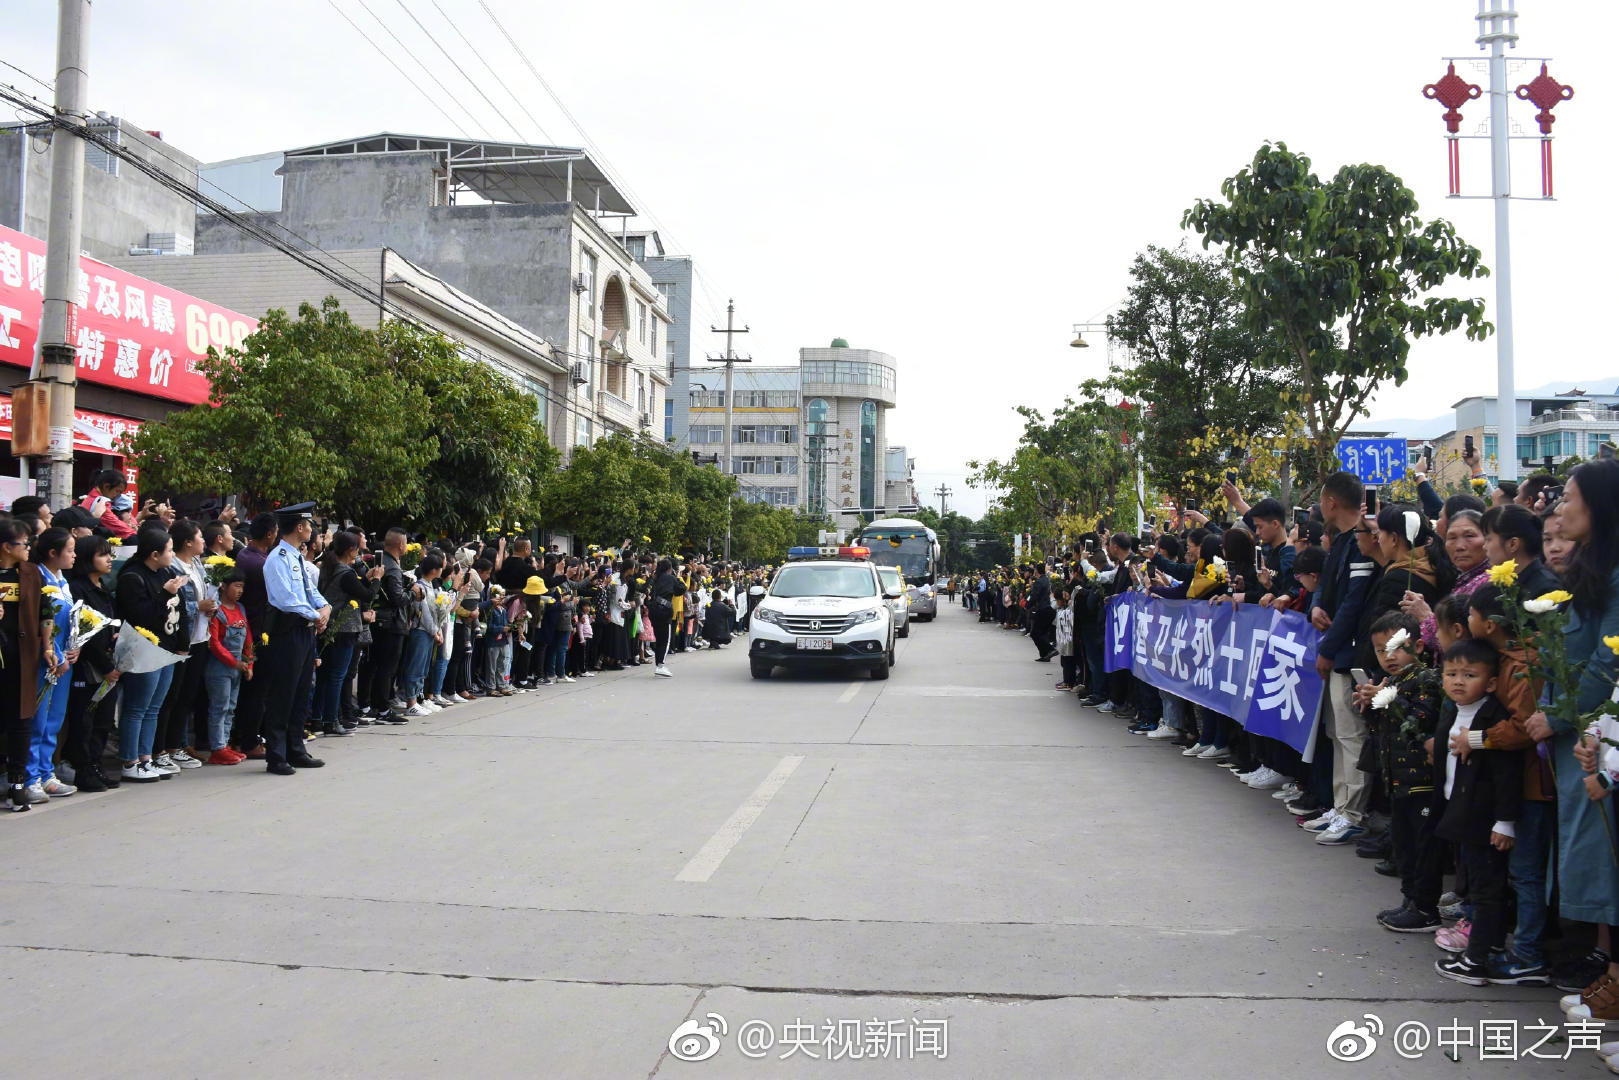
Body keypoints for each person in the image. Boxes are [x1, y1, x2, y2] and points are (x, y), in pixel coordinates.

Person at [1431, 638, 1521, 986]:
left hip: (1486, 819)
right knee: (1477, 887)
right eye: (1451, 673)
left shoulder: (1492, 717)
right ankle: (1490, 946)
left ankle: (1476, 961)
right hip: (1462, 814)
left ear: (1492, 682)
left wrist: (1505, 821)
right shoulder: (1455, 710)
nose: (1457, 681)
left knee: (1487, 890)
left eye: (1469, 674)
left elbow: (1507, 774)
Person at [1306, 471, 1378, 845]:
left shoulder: (1360, 542)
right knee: (1337, 732)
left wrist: (1328, 649)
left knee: (1351, 735)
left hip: (1350, 655)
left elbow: (1354, 602)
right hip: (1337, 652)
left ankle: (1354, 812)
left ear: (1331, 501)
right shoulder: (1339, 542)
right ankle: (1339, 804)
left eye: (1321, 498)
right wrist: (1315, 608)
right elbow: (1327, 591)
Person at [257, 503, 330, 775]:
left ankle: (296, 749)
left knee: (301, 692)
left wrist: (325, 608)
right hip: (286, 631)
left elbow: (309, 590)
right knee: (283, 694)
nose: (312, 530)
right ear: (299, 527)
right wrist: (315, 615)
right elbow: (285, 599)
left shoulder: (297, 557)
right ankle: (277, 755)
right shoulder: (277, 558)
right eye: (309, 525)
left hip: (304, 629)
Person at [116, 527, 188, 783]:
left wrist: (183, 642)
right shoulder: (132, 577)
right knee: (137, 707)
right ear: (155, 554)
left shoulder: (166, 572)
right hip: (143, 650)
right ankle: (129, 760)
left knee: (154, 707)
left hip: (167, 649)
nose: (172, 555)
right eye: (169, 550)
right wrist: (165, 594)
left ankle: (146, 757)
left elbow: (179, 610)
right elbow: (141, 616)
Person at [20, 527, 78, 802]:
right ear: (53, 553)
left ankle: (46, 773)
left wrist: (73, 648)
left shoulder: (63, 581)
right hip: (45, 660)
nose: (74, 555)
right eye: (70, 550)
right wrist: (53, 651)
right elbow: (39, 621)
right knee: (38, 719)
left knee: (54, 718)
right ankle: (30, 777)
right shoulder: (37, 578)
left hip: (64, 660)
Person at [61, 536, 120, 793]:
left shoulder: (103, 587)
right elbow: (86, 634)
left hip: (108, 664)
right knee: (84, 721)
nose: (109, 559)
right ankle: (82, 769)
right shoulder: (78, 588)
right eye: (102, 555)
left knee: (103, 720)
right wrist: (106, 666)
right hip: (88, 667)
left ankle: (95, 765)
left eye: (109, 554)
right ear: (87, 559)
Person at [229, 513, 278, 757]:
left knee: (252, 691)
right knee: (256, 691)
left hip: (254, 629)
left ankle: (243, 737)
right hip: (257, 631)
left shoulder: (249, 554)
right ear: (269, 534)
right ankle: (248, 740)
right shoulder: (259, 563)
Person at [203, 571, 253, 764]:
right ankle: (217, 747)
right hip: (219, 668)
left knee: (231, 707)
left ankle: (225, 744)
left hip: (238, 668)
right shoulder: (217, 611)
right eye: (236, 586)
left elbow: (247, 638)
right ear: (223, 586)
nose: (240, 591)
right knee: (219, 707)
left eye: (242, 586)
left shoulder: (240, 607)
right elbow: (214, 643)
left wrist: (249, 663)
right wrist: (234, 662)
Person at [366, 527, 412, 725]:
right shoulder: (392, 567)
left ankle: (374, 705)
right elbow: (398, 598)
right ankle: (383, 708)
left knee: (377, 665)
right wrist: (414, 593)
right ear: (401, 544)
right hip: (391, 623)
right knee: (387, 667)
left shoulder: (381, 561)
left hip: (379, 620)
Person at [650, 557, 678, 677]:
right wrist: (676, 576)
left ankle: (659, 664)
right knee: (665, 640)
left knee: (659, 638)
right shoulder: (670, 578)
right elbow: (680, 589)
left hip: (654, 610)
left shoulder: (655, 578)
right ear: (669, 569)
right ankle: (660, 665)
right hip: (664, 611)